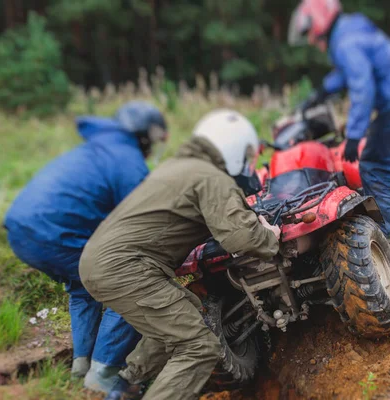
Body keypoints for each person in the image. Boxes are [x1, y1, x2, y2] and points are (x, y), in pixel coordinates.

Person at [79, 109, 281, 400]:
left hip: (101, 260)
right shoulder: (212, 178)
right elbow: (241, 237)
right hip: (125, 267)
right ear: (234, 148)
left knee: (185, 313)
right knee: (199, 346)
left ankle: (126, 386)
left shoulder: (177, 167)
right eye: (248, 154)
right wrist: (269, 237)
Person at [4, 101, 168, 392]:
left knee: (83, 287)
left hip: (22, 231)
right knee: (132, 284)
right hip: (52, 234)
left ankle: (81, 366)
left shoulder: (98, 148)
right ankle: (103, 375)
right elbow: (146, 216)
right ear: (142, 136)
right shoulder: (126, 158)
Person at [289, 0, 390, 252]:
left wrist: (353, 135)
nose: (309, 40)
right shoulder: (353, 29)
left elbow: (363, 85)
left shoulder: (344, 42)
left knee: (374, 166)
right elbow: (352, 71)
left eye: (308, 32)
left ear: (319, 20)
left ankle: (389, 237)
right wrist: (323, 91)